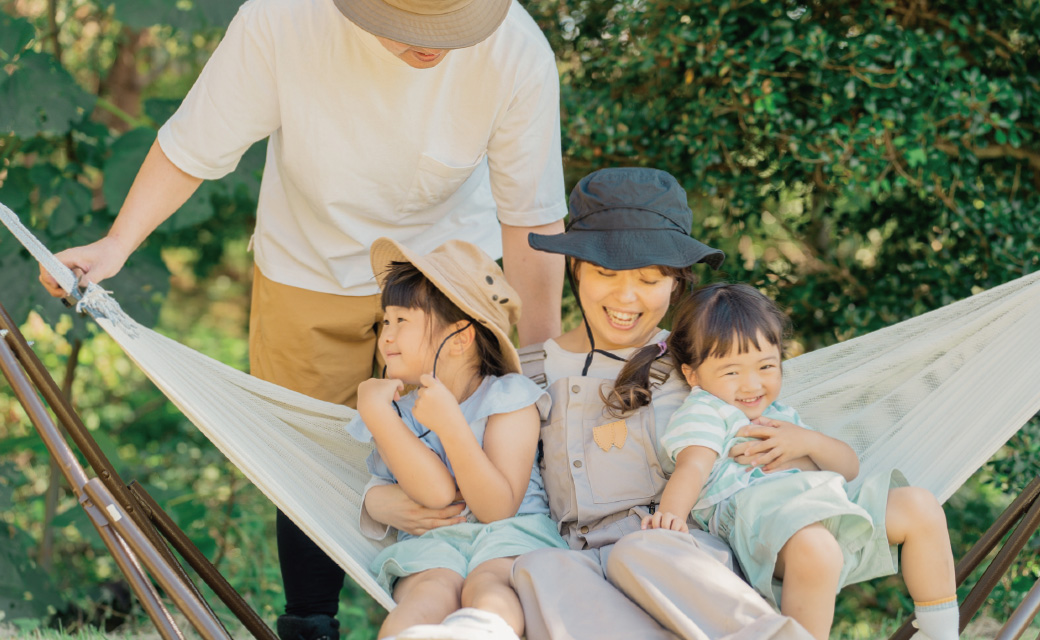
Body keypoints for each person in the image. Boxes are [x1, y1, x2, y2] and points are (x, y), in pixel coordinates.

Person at [38, 1, 567, 637]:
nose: (435, 45)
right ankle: (311, 624)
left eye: (451, 27)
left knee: (463, 442)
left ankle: (460, 614)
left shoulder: (515, 48)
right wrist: (117, 244)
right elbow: (195, 142)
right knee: (304, 453)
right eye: (416, 28)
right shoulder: (282, 19)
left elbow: (531, 215)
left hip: (445, 280)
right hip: (305, 269)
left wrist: (538, 358)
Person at [364, 168, 815, 640]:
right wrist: (380, 499)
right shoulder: (531, 373)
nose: (626, 296)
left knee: (636, 554)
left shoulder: (695, 368)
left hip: (670, 553)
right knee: (536, 572)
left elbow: (761, 444)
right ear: (575, 269)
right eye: (605, 273)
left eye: (649, 279)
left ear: (676, 285)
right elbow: (472, 459)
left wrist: (805, 449)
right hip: (575, 562)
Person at [630, 282, 958, 640]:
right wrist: (671, 518)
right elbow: (693, 465)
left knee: (919, 505)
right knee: (817, 548)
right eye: (732, 372)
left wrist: (807, 440)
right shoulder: (709, 410)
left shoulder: (781, 414)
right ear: (693, 374)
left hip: (827, 509)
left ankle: (940, 633)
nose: (752, 384)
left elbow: (849, 469)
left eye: (766, 366)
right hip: (765, 523)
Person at [346, 238, 566, 640]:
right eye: (386, 321)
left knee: (490, 585)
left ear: (460, 339)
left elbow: (497, 507)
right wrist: (380, 416)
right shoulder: (395, 413)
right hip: (433, 543)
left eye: (402, 321)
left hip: (510, 538)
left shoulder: (509, 397)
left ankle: (480, 632)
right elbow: (435, 494)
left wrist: (451, 425)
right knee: (429, 591)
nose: (386, 337)